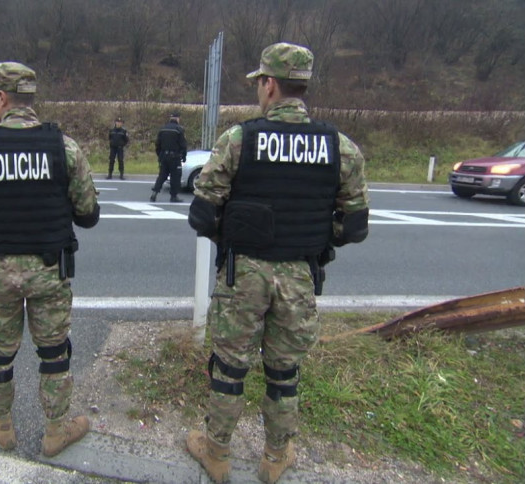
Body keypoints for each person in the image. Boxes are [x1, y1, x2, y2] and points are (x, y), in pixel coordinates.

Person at [185, 42, 370, 484]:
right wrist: (316, 240)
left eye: (259, 83)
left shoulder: (239, 139)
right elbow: (356, 225)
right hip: (300, 273)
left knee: (229, 368)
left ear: (269, 85)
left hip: (243, 272)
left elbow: (201, 214)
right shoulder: (339, 147)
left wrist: (234, 237)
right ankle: (275, 457)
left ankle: (217, 454)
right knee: (284, 372)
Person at [0, 61, 101, 457]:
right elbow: (89, 215)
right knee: (55, 354)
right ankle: (55, 431)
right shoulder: (64, 147)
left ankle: (3, 424)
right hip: (49, 272)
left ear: (2, 97)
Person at [151, 111, 187, 203]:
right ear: (177, 118)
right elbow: (183, 144)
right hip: (174, 157)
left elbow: (157, 144)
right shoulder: (179, 129)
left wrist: (160, 155)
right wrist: (184, 155)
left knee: (162, 175)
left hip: (164, 156)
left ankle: (155, 192)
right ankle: (174, 196)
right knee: (175, 176)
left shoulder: (163, 129)